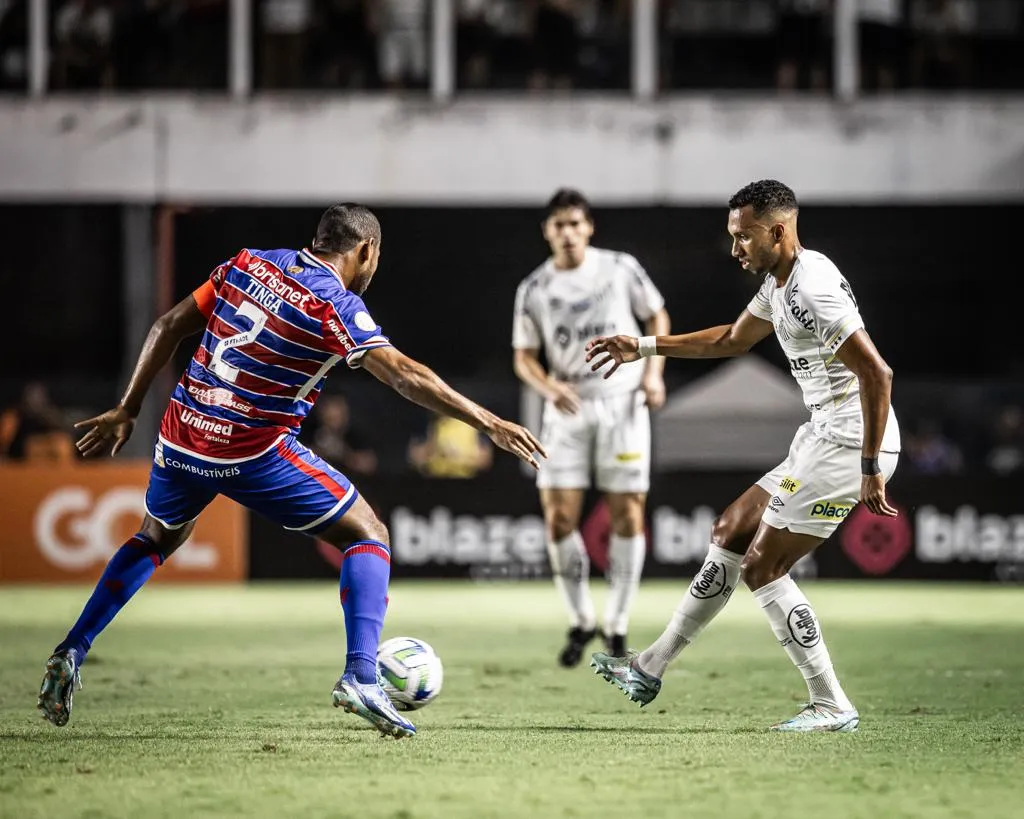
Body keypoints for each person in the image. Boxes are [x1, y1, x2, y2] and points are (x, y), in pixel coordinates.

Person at [37, 204, 545, 739]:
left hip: (181, 432)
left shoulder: (247, 263)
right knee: (368, 535)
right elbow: (403, 376)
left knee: (154, 537)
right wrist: (488, 422)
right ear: (365, 251)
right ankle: (361, 676)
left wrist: (128, 408)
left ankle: (72, 648)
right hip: (248, 449)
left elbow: (168, 325)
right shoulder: (336, 304)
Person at [586, 180, 900, 732]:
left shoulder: (811, 289)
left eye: (744, 237)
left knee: (762, 566)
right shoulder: (782, 284)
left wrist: (871, 467)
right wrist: (643, 347)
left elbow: (877, 373)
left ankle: (831, 703)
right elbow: (731, 339)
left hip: (852, 442)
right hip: (823, 433)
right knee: (731, 529)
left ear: (777, 231)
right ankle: (650, 666)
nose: (735, 249)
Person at [513, 188, 670, 666]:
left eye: (575, 224)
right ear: (547, 231)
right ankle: (582, 619)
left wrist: (653, 370)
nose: (567, 233)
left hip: (621, 402)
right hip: (567, 407)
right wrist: (547, 388)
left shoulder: (619, 267)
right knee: (559, 517)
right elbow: (523, 357)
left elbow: (656, 312)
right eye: (558, 225)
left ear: (589, 227)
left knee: (628, 514)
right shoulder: (534, 288)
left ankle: (617, 624)